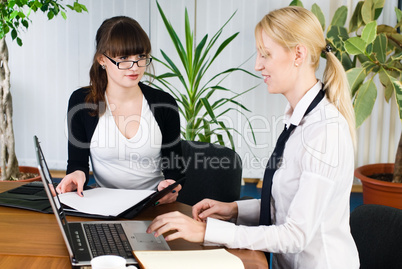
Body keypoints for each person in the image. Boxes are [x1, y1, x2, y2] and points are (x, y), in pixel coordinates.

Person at [146, 6, 359, 268]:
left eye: (266, 54)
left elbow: (296, 235)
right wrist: (234, 209)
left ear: (298, 54)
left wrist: (206, 232)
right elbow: (286, 204)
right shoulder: (296, 121)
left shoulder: (325, 132)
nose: (258, 65)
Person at [56, 16, 183, 204]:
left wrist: (171, 186)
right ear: (102, 59)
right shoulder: (82, 102)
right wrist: (76, 175)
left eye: (141, 57)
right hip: (104, 205)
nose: (135, 67)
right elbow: (77, 164)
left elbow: (175, 170)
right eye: (123, 58)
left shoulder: (164, 103)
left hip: (152, 204)